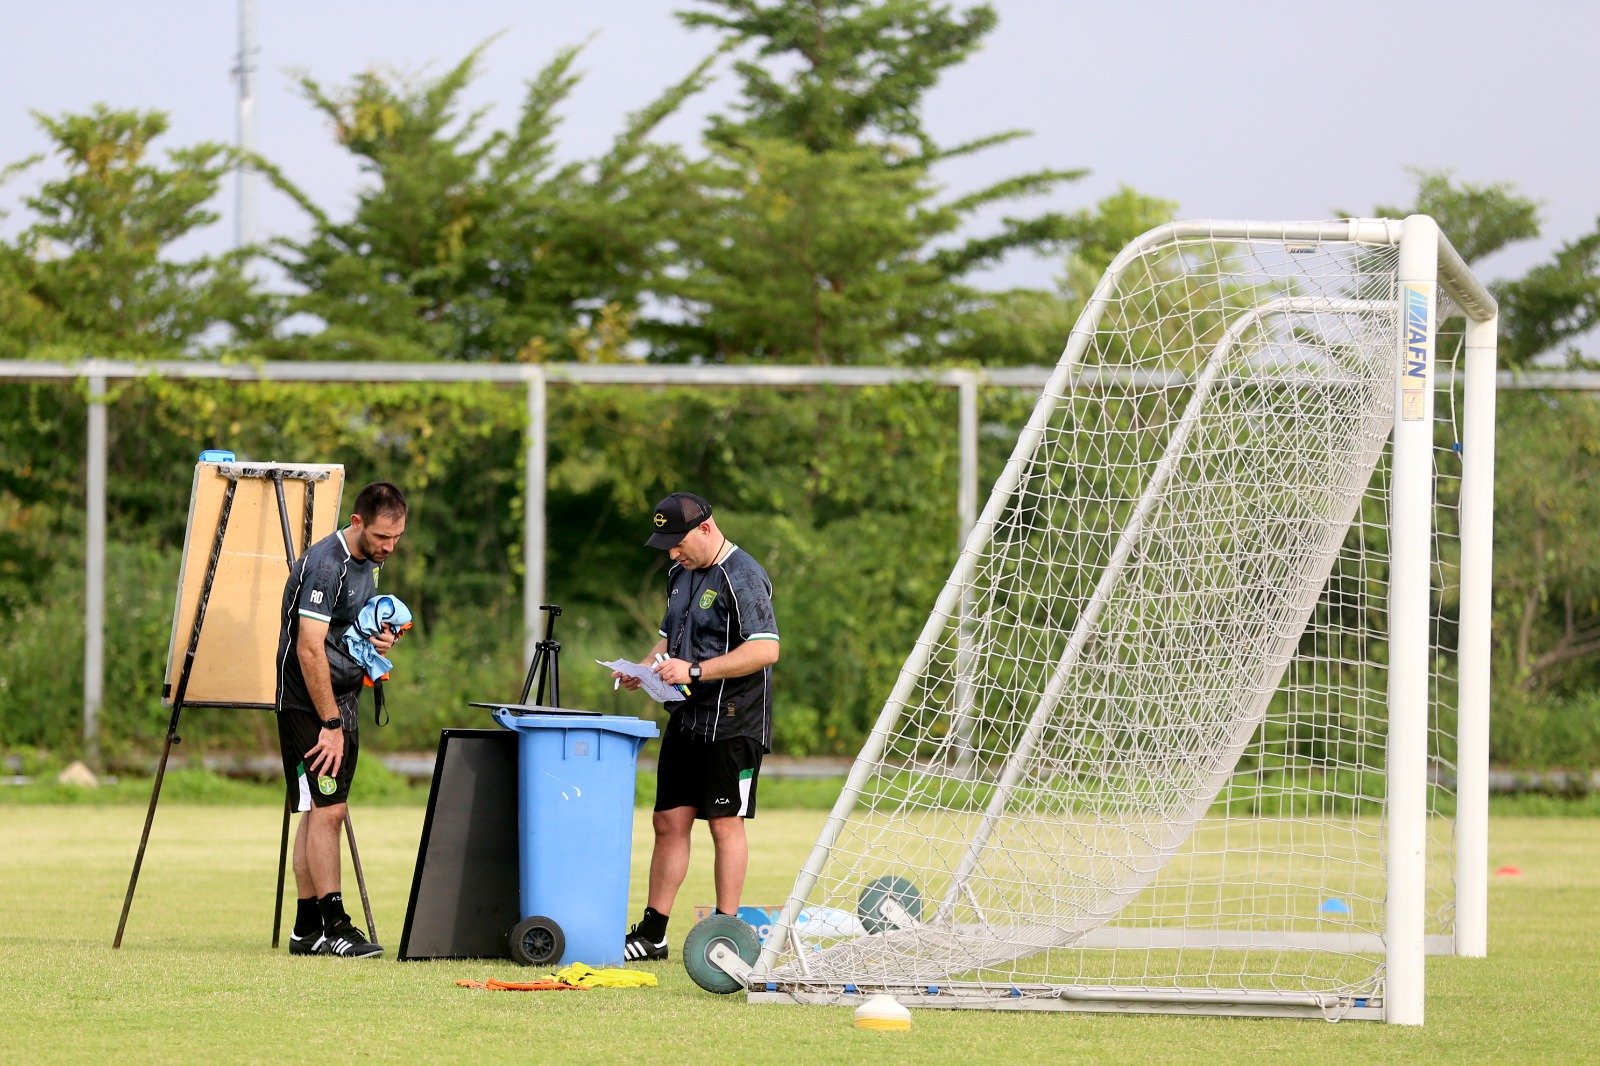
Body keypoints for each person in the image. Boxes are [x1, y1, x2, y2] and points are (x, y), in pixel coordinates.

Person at [614, 491, 779, 961]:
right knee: (668, 821)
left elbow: (766, 649)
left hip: (733, 722)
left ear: (706, 528)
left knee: (725, 825)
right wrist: (643, 668)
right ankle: (653, 933)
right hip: (686, 718)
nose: (671, 552)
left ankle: (726, 935)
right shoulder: (679, 573)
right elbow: (671, 638)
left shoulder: (743, 575)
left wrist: (695, 671)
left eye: (677, 541)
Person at [275, 481, 408, 958]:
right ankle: (336, 924)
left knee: (317, 811)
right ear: (356, 523)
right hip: (309, 706)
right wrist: (329, 725)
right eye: (380, 537)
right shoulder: (325, 565)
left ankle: (306, 929)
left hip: (341, 703)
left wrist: (376, 644)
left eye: (396, 538)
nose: (388, 548)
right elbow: (310, 647)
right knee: (329, 812)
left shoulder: (366, 566)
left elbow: (343, 632)